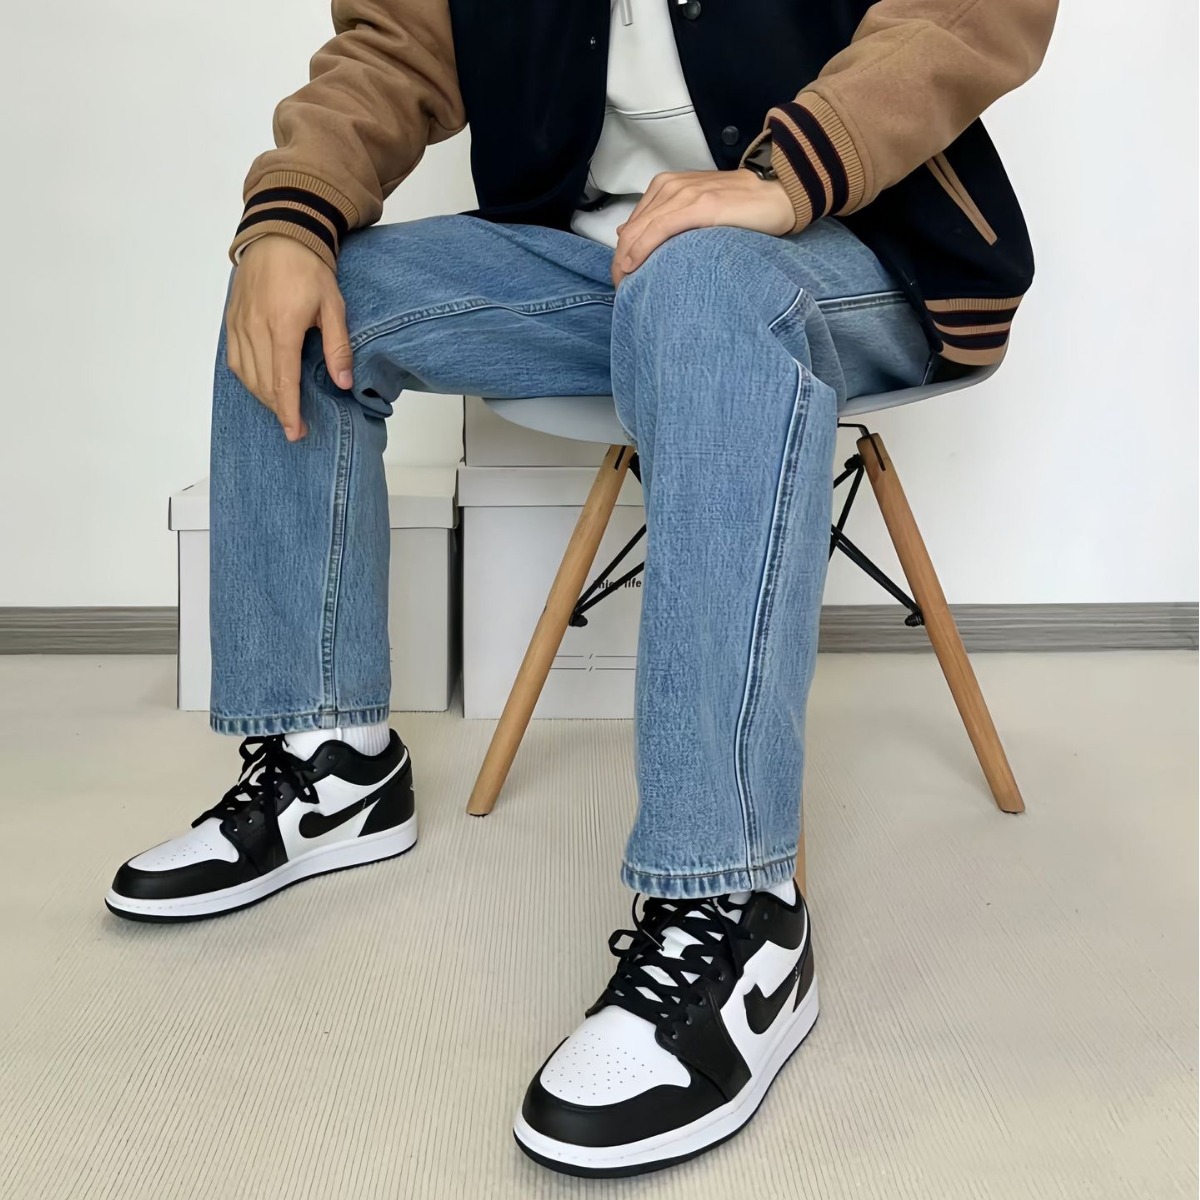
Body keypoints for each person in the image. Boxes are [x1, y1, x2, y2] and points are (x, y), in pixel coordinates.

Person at [106, 0, 1056, 1177]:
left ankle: (738, 914)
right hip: (603, 264)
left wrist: (787, 176)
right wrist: (291, 213)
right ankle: (332, 762)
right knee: (301, 289)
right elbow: (394, 44)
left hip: (853, 247)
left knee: (705, 287)